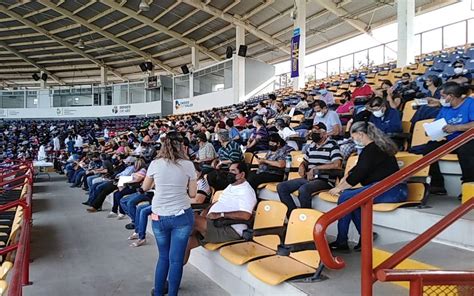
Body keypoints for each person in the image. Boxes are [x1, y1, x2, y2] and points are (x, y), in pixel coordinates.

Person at [328, 121, 408, 251]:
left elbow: (359, 173)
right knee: (351, 202)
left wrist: (339, 188)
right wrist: (344, 181)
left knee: (345, 197)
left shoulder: (372, 149)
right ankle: (366, 236)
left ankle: (342, 240)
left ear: (360, 134)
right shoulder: (375, 147)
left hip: (392, 190)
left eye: (353, 137)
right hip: (386, 188)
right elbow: (356, 170)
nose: (353, 140)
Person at [141, 131, 197, 296]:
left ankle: (158, 292)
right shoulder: (188, 165)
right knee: (176, 260)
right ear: (181, 146)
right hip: (181, 216)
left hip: (159, 215)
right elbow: (193, 194)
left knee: (163, 257)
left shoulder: (155, 164)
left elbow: (144, 187)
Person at [184, 162, 256, 263]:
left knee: (192, 220)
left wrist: (220, 214)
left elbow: (246, 215)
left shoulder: (247, 191)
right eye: (229, 170)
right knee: (184, 245)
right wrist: (205, 211)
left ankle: (178, 233)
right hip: (215, 224)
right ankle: (173, 275)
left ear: (242, 174)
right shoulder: (231, 186)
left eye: (233, 171)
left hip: (230, 229)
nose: (229, 173)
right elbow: (218, 202)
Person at [420, 82, 474, 195]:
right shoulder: (446, 108)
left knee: (466, 150)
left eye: (443, 96)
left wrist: (456, 127)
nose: (441, 99)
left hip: (467, 140)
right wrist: (430, 130)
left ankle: (468, 186)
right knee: (427, 149)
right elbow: (438, 123)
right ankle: (437, 185)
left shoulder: (470, 104)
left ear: (451, 96)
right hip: (450, 141)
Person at [277, 123, 342, 217]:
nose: (313, 133)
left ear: (324, 134)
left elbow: (337, 164)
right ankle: (293, 215)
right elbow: (305, 161)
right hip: (309, 178)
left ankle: (305, 217)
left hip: (324, 180)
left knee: (304, 189)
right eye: (312, 131)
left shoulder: (332, 145)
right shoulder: (311, 146)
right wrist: (302, 166)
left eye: (316, 132)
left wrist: (316, 168)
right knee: (281, 187)